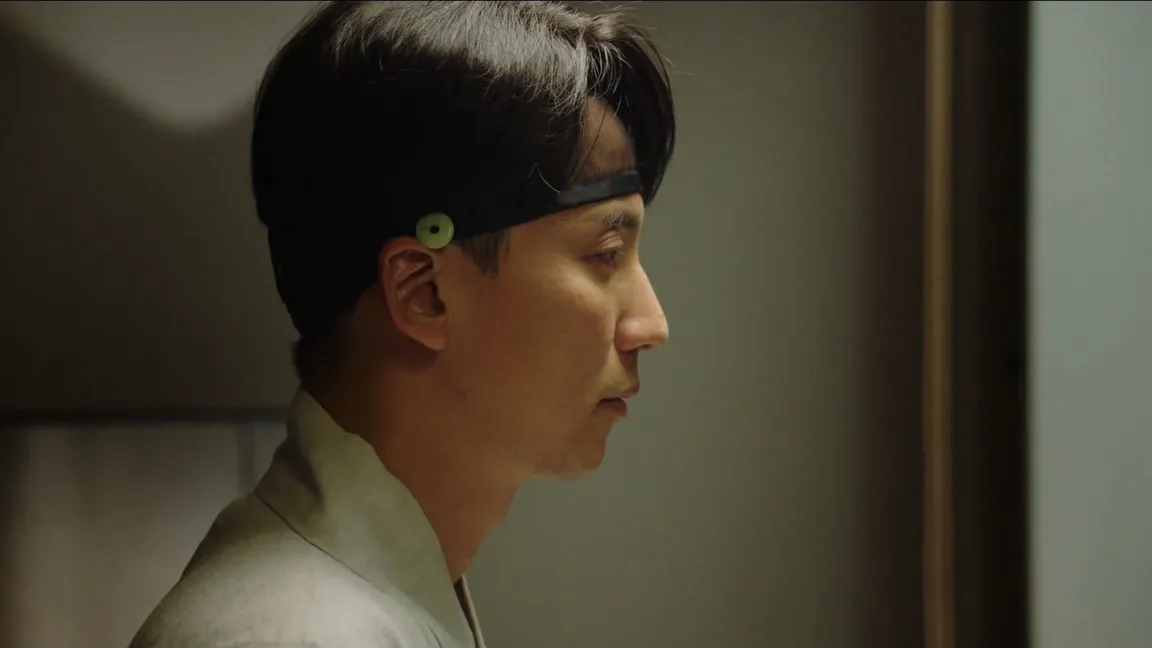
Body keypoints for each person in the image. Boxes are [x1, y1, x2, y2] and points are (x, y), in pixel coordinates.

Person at [130, 1, 675, 646]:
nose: (650, 324)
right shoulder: (301, 634)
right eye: (606, 254)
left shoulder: (354, 604)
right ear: (424, 293)